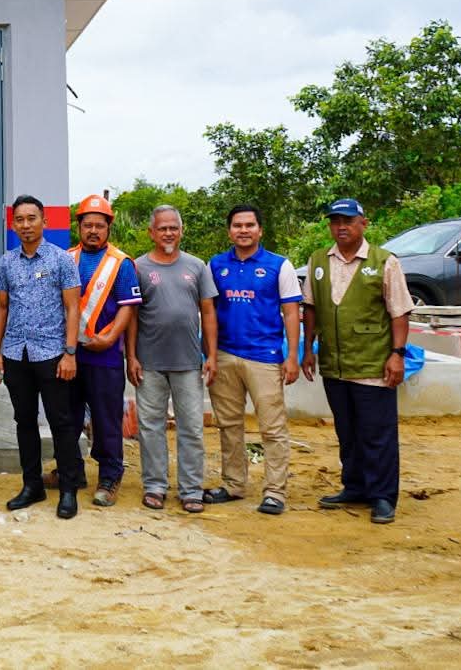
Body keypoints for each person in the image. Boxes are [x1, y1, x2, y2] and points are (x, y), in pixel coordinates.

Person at [301, 199, 414, 525]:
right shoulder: (318, 261)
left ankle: (381, 496)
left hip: (372, 363)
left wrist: (398, 354)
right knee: (347, 430)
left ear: (363, 222)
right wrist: (308, 348)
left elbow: (399, 311)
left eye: (348, 220)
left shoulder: (384, 262)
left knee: (376, 432)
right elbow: (310, 308)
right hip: (335, 364)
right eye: (335, 221)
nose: (341, 226)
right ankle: (354, 486)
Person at [203, 204, 302, 515]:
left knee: (272, 428)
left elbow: (291, 312)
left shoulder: (279, 266)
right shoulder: (216, 265)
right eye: (237, 225)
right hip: (225, 356)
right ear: (229, 230)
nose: (243, 231)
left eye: (249, 225)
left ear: (260, 230)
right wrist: (210, 355)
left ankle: (275, 491)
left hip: (265, 357)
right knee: (229, 425)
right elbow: (209, 314)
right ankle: (233, 484)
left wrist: (292, 357)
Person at [0, 195, 84, 519]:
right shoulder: (6, 262)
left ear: (44, 221)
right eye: (20, 220)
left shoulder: (61, 260)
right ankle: (32, 485)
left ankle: (69, 488)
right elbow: (1, 307)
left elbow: (73, 308)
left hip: (53, 353)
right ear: (13, 224)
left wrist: (70, 353)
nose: (26, 225)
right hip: (17, 352)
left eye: (32, 218)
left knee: (61, 421)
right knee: (24, 421)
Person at [129, 204, 218, 514]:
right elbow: (132, 317)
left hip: (189, 362)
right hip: (149, 362)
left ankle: (191, 488)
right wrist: (132, 357)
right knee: (150, 427)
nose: (168, 233)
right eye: (162, 228)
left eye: (173, 227)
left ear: (181, 231)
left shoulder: (197, 266)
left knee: (191, 427)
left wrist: (211, 355)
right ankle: (155, 486)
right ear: (151, 232)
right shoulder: (138, 267)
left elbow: (208, 312)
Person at [64, 194, 142, 508]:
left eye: (99, 225)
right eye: (88, 225)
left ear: (108, 228)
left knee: (106, 419)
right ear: (79, 227)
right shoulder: (67, 258)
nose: (93, 231)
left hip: (105, 355)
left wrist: (111, 340)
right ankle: (71, 471)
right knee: (67, 418)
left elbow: (128, 309)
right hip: (71, 354)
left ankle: (109, 477)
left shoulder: (121, 264)